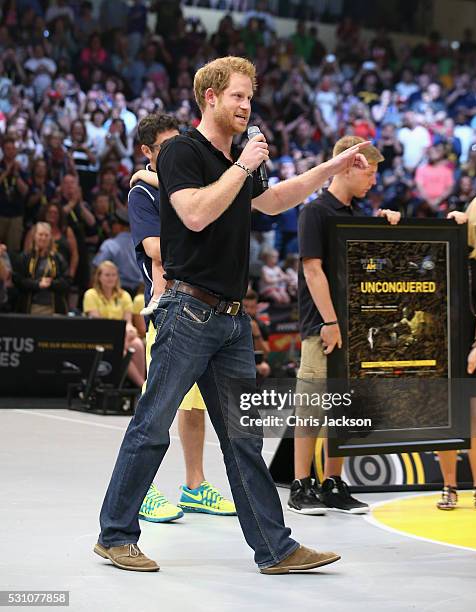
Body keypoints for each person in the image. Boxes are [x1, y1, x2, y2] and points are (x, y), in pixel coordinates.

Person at [94, 55, 371, 574]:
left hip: (230, 318)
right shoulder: (181, 151)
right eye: (238, 96)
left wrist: (330, 168)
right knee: (152, 426)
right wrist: (244, 165)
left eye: (250, 96)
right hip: (186, 310)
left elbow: (269, 203)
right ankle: (114, 535)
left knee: (245, 439)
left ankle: (276, 548)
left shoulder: (242, 161)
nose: (247, 105)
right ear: (210, 97)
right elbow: (195, 212)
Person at [127, 112, 236, 522]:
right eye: (165, 148)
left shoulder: (183, 182)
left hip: (203, 307)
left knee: (193, 407)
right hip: (169, 306)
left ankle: (194, 486)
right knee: (156, 405)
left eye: (179, 144)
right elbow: (155, 247)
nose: (175, 154)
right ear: (147, 153)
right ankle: (143, 490)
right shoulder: (144, 195)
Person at [289, 136, 402, 516]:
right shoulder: (315, 212)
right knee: (312, 406)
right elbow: (312, 268)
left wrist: (385, 225)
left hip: (355, 328)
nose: (373, 180)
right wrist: (330, 320)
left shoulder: (357, 215)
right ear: (349, 166)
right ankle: (301, 484)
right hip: (321, 326)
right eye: (369, 172)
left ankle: (332, 483)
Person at [436, 195, 476, 510]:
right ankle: (449, 486)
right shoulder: (455, 251)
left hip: (473, 342)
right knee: (448, 416)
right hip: (447, 340)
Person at [83, 260, 146, 388]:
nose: (111, 278)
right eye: (107, 275)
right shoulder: (91, 294)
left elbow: (128, 323)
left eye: (113, 275)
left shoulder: (124, 295)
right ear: (99, 277)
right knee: (121, 350)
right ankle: (142, 385)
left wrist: (129, 331)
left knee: (138, 344)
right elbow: (97, 324)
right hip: (100, 336)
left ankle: (142, 386)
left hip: (122, 337)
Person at [13, 221, 70, 315]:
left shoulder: (58, 258)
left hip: (54, 309)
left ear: (50, 237)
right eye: (40, 234)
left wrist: (51, 283)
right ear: (34, 236)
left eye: (46, 235)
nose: (43, 238)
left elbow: (67, 282)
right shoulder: (24, 257)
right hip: (29, 308)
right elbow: (17, 280)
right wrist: (37, 284)